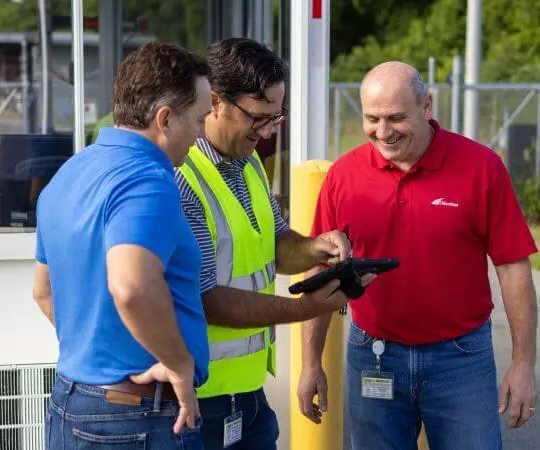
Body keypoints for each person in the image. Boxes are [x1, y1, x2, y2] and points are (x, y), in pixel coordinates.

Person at [297, 61, 540, 449]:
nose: (383, 131)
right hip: (373, 355)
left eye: (396, 117)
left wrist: (523, 363)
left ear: (426, 107)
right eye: (372, 118)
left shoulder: (481, 168)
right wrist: (312, 363)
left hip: (461, 360)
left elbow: (513, 268)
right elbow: (321, 271)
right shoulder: (343, 176)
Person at [174, 37, 371, 449]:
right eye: (257, 118)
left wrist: (318, 248)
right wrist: (306, 309)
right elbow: (207, 297)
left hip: (247, 393)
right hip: (196, 401)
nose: (265, 133)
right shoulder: (182, 176)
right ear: (215, 102)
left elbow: (277, 242)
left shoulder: (248, 166)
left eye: (276, 118)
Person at [32, 41, 213, 449]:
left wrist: (99, 355)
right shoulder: (147, 178)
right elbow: (130, 286)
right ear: (164, 119)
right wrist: (179, 365)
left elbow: (43, 292)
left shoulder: (71, 171)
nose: (201, 134)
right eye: (199, 120)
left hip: (71, 401)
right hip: (134, 418)